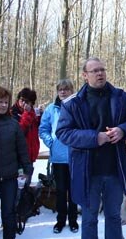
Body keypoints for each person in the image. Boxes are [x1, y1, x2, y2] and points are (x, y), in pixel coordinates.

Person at [56, 57, 126, 239]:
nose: (100, 73)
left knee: (114, 217)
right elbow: (63, 133)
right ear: (85, 75)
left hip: (114, 169)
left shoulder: (120, 96)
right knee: (89, 218)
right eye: (95, 71)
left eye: (102, 69)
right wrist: (95, 138)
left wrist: (122, 130)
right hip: (87, 171)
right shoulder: (72, 103)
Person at [0, 86, 33, 239]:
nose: (3, 105)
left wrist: (27, 171)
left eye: (6, 102)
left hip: (9, 177)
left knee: (9, 213)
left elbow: (22, 150)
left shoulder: (13, 124)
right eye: (0, 101)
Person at [39, 79, 78, 234]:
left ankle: (73, 220)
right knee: (61, 191)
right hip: (58, 157)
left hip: (76, 156)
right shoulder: (51, 109)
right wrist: (52, 143)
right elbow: (43, 129)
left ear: (71, 91)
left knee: (74, 190)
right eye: (60, 89)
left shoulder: (78, 107)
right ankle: (60, 221)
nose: (63, 92)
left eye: (66, 89)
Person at [11, 87, 41, 164]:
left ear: (31, 103)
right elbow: (20, 131)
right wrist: (27, 114)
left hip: (30, 154)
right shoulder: (12, 112)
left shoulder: (33, 112)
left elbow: (38, 129)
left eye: (27, 101)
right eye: (22, 100)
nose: (23, 103)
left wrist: (40, 116)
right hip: (17, 156)